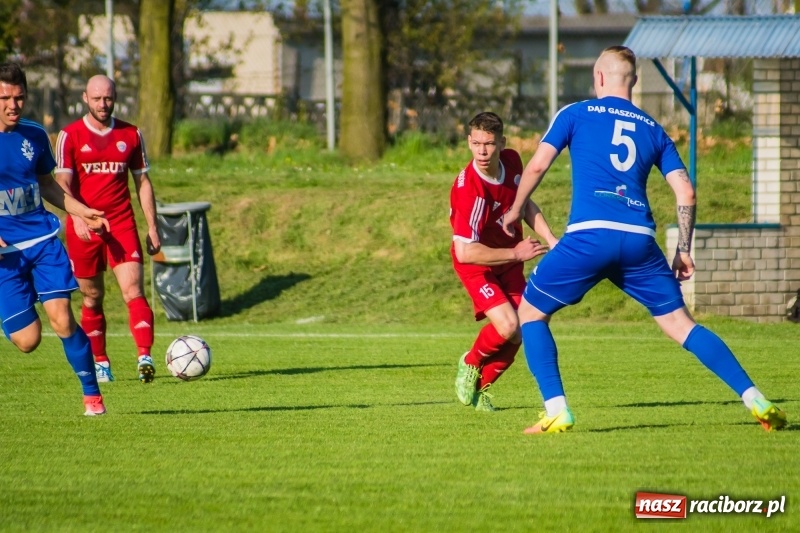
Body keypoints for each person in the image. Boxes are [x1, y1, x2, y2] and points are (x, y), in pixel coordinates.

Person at [503, 46, 787, 433]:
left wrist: (517, 208)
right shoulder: (655, 129)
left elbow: (537, 164)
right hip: (639, 241)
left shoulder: (575, 113)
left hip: (589, 236)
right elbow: (686, 192)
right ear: (633, 82)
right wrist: (683, 250)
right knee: (682, 325)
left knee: (531, 314)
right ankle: (755, 398)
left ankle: (557, 409)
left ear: (599, 78)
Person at [0, 62, 110, 416]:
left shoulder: (33, 135)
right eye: (4, 98)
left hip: (43, 240)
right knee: (27, 341)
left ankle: (92, 396)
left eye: (19, 97)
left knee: (62, 319)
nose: (13, 105)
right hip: (6, 256)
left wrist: (81, 210)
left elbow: (48, 184)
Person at [55, 75, 161, 384]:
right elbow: (61, 183)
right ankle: (101, 362)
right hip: (84, 227)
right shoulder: (70, 135)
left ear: (115, 98)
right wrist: (76, 217)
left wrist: (152, 226)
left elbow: (142, 182)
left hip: (121, 224)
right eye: (98, 99)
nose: (104, 104)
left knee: (134, 291)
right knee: (92, 298)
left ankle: (144, 357)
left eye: (109, 98)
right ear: (86, 98)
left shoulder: (131, 134)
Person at [450, 112, 557, 411]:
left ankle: (480, 389)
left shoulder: (511, 162)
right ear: (469, 142)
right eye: (476, 144)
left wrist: (551, 239)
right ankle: (469, 362)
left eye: (489, 144)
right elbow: (465, 252)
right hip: (478, 265)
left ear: (502, 143)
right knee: (509, 325)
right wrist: (517, 253)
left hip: (509, 260)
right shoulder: (470, 189)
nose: (482, 151)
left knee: (526, 325)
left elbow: (524, 203)